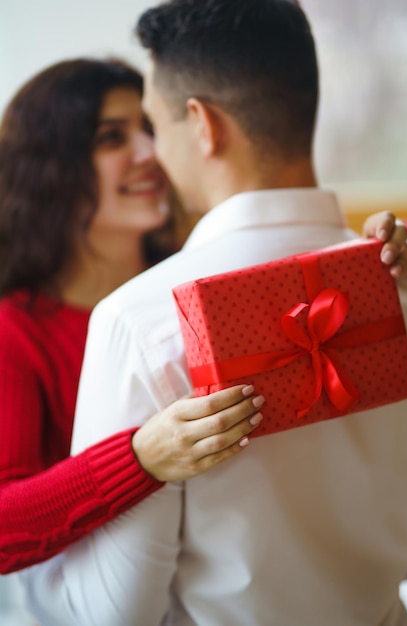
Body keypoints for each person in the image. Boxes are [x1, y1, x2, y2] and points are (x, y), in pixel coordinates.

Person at [21, 3, 407, 625]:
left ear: (203, 126)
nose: (151, 152)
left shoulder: (141, 320)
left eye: (152, 123)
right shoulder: (400, 283)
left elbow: (113, 615)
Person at [0, 57, 269, 577]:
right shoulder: (14, 331)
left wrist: (400, 248)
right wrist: (141, 459)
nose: (150, 154)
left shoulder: (202, 284)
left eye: (150, 129)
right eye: (111, 138)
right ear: (47, 167)